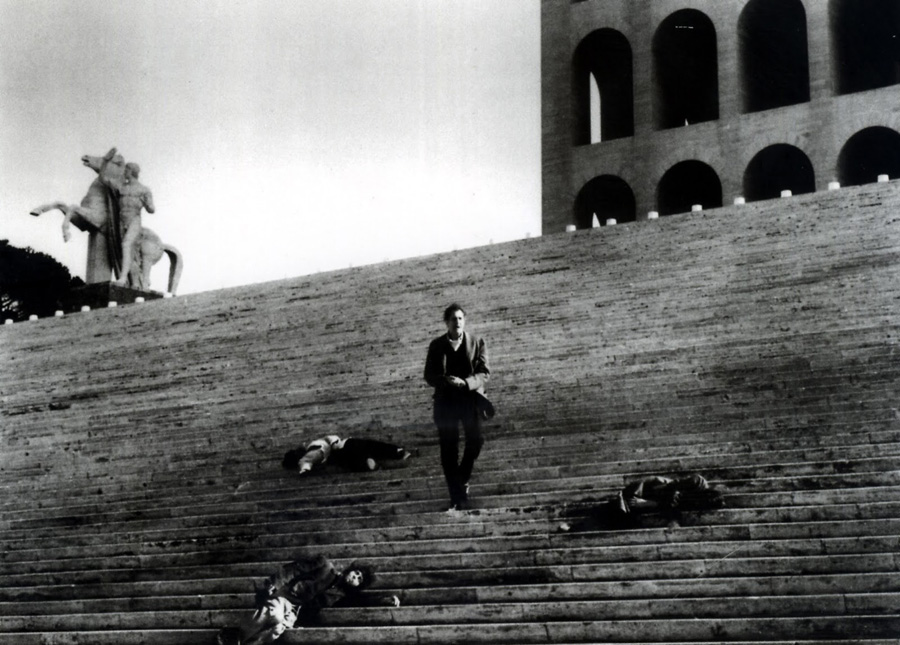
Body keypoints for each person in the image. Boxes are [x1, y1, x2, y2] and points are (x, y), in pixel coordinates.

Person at [217, 554, 399, 644]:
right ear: (350, 569)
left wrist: (383, 600)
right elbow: (293, 569)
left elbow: (362, 600)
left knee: (278, 629)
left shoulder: (341, 595)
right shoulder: (325, 566)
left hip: (297, 611)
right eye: (356, 573)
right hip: (288, 597)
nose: (355, 578)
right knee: (274, 613)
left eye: (359, 580)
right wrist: (273, 584)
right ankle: (232, 636)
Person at [424, 303, 492, 510]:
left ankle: (461, 478)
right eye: (453, 319)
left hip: (469, 400)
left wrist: (466, 383)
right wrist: (445, 380)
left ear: (465, 320)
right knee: (448, 449)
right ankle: (457, 495)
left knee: (476, 440)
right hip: (446, 403)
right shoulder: (436, 346)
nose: (457, 322)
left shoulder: (477, 342)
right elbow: (428, 375)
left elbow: (484, 372)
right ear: (447, 322)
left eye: (460, 318)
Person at [558, 473, 724, 532]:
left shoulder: (682, 493)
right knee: (617, 510)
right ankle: (576, 525)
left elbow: (672, 504)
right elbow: (645, 487)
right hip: (635, 497)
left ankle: (576, 525)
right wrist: (643, 502)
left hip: (639, 503)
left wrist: (649, 504)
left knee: (616, 512)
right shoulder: (669, 486)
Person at [99, 147, 155, 286]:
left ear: (132, 172)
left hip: (134, 220)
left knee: (126, 244)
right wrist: (105, 161)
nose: (124, 172)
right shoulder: (121, 187)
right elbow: (102, 178)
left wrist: (146, 203)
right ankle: (136, 282)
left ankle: (123, 278)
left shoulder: (144, 189)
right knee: (129, 252)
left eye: (126, 170)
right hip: (121, 221)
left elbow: (152, 209)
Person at [329, 437, 412, 472]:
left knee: (368, 449)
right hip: (349, 447)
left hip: (347, 448)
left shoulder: (339, 448)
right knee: (373, 447)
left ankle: (367, 464)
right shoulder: (341, 447)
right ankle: (397, 451)